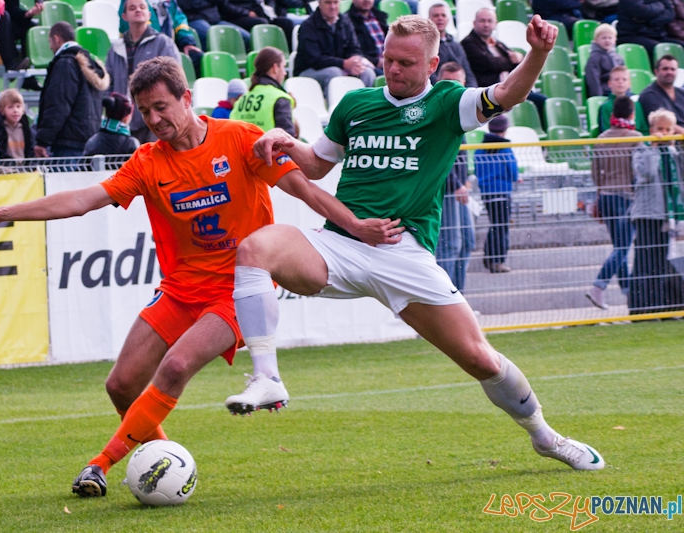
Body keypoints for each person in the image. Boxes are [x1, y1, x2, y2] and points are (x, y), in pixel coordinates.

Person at [0, 57, 393, 497]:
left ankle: (99, 464)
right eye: (144, 112)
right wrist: (4, 212)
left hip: (237, 291)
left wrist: (354, 227)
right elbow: (84, 199)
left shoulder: (239, 139)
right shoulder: (147, 162)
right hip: (180, 290)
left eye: (161, 107)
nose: (154, 119)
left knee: (176, 365)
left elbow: (305, 188)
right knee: (120, 385)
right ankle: (165, 460)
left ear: (186, 98)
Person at [227, 14, 605, 472]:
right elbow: (314, 166)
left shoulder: (447, 102)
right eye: (387, 59)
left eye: (406, 62)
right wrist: (286, 138)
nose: (393, 69)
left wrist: (539, 52)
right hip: (340, 246)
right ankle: (267, 377)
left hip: (403, 254)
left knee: (481, 359)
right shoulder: (356, 103)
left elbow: (508, 95)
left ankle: (545, 436)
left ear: (432, 64)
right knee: (253, 249)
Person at [586, 95, 644, 309]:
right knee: (622, 248)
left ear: (612, 115)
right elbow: (637, 170)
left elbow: (594, 173)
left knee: (619, 247)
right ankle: (598, 287)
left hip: (606, 197)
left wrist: (600, 192)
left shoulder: (601, 138)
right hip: (626, 197)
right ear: (632, 114)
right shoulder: (635, 137)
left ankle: (628, 293)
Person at [628, 109, 684, 313]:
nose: (663, 133)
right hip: (647, 213)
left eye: (668, 129)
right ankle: (639, 308)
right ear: (652, 130)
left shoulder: (674, 153)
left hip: (665, 216)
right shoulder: (642, 150)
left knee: (661, 261)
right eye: (659, 129)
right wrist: (653, 147)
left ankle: (661, 306)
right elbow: (646, 173)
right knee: (645, 261)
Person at [106, 0, 179, 144]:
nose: (137, 10)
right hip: (122, 122)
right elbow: (108, 83)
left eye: (142, 7)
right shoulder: (115, 49)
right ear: (125, 16)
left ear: (149, 14)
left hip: (154, 120)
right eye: (132, 8)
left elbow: (174, 81)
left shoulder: (164, 43)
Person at [34, 22, 110, 159]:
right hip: (89, 142)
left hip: (68, 145)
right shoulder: (90, 64)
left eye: (50, 42)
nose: (50, 47)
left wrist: (42, 141)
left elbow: (58, 105)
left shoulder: (65, 63)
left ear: (57, 39)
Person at [434, 62, 475, 292]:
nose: (453, 88)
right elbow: (439, 157)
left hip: (460, 188)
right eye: (448, 83)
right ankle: (443, 300)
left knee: (468, 242)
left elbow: (461, 154)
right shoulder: (437, 111)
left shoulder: (460, 109)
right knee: (450, 245)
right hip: (446, 190)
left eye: (457, 83)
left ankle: (457, 297)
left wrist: (466, 179)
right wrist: (457, 185)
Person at [461, 8, 547, 114]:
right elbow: (490, 63)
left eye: (490, 21)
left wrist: (520, 57)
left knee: (544, 101)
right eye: (482, 21)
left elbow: (518, 61)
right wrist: (512, 60)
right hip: (492, 92)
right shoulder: (468, 43)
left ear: (495, 23)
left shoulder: (497, 43)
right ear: (474, 23)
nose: (486, 24)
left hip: (511, 88)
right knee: (539, 101)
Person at [293, 0, 376, 97]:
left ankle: (359, 107)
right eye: (328, 3)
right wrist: (344, 64)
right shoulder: (308, 26)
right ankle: (335, 108)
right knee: (334, 73)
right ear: (319, 4)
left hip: (340, 67)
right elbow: (314, 59)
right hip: (309, 71)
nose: (332, 6)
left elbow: (355, 48)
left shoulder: (345, 21)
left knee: (367, 72)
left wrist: (355, 61)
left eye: (335, 2)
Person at [476, 114, 520, 274]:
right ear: (505, 129)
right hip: (502, 191)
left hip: (487, 192)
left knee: (495, 224)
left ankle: (490, 258)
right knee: (501, 227)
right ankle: (497, 260)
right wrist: (515, 178)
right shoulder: (504, 147)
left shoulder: (481, 146)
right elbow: (512, 168)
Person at [118, 0, 203, 75]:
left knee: (197, 57)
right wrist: (161, 43)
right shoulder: (132, 3)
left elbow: (179, 19)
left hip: (168, 46)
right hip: (143, 48)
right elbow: (139, 28)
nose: (138, 9)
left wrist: (187, 42)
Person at [229, 47, 295, 135]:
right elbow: (287, 141)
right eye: (283, 67)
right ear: (275, 68)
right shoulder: (280, 98)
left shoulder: (242, 99)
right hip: (268, 149)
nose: (285, 73)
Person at [428, 2, 477, 87]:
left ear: (448, 19)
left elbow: (468, 73)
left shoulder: (456, 45)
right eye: (436, 15)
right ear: (429, 19)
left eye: (443, 15)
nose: (440, 18)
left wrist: (470, 92)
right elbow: (428, 74)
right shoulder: (426, 46)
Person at [616, 0, 684, 59]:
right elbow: (640, 11)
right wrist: (660, 5)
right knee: (659, 49)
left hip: (657, 34)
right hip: (632, 34)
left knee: (681, 46)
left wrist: (649, 21)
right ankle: (658, 72)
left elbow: (670, 13)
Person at [178, 0, 251, 50]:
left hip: (214, 19)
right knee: (210, 36)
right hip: (194, 19)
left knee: (245, 37)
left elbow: (223, 4)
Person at [639, 55, 684, 134]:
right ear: (656, 71)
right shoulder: (649, 95)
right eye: (665, 69)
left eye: (673, 69)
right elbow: (661, 123)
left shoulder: (681, 93)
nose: (669, 72)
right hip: (665, 141)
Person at [598, 65, 649, 134]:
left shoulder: (636, 105)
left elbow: (645, 130)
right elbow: (605, 131)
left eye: (624, 79)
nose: (620, 82)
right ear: (609, 84)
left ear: (629, 83)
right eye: (616, 79)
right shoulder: (605, 107)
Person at [0, 88, 35, 161]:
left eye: (18, 106)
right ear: (2, 110)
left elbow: (31, 151)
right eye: (10, 107)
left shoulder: (27, 131)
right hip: (6, 168)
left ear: (23, 109)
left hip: (26, 169)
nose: (15, 110)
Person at [346, 0, 388, 76]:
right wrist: (376, 61)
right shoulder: (346, 21)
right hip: (369, 65)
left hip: (389, 61)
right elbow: (352, 52)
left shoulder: (380, 17)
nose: (366, 0)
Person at [585, 23, 624, 97]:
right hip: (605, 91)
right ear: (596, 40)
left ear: (615, 40)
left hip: (619, 91)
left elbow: (624, 76)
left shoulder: (618, 57)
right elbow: (593, 80)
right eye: (604, 38)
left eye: (610, 38)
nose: (607, 40)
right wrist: (598, 97)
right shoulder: (594, 58)